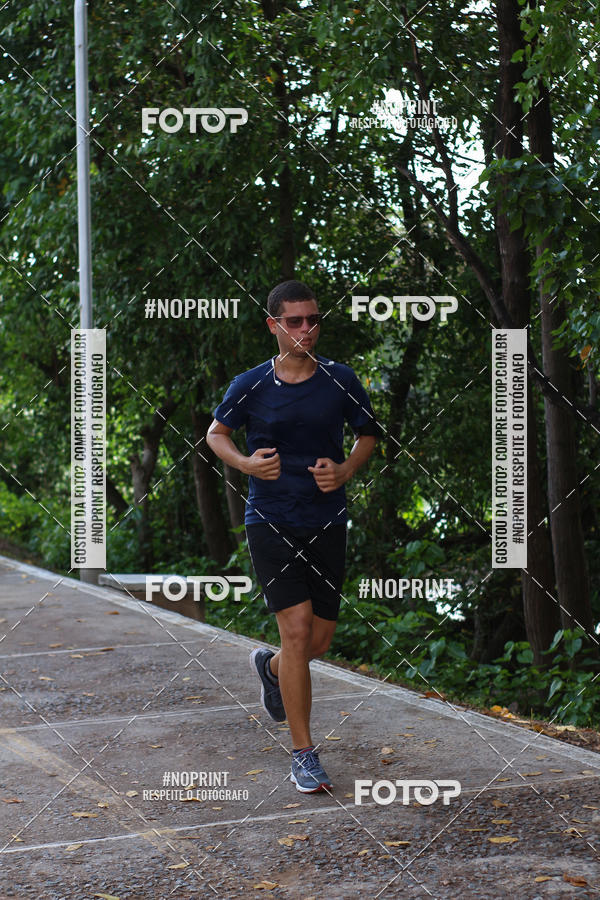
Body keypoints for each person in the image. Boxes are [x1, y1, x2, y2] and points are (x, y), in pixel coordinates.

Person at [206, 279, 378, 793]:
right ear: (274, 325)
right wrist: (244, 464)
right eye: (295, 321)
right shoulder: (251, 384)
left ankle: (272, 668)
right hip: (271, 519)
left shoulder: (339, 379)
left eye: (313, 319)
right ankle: (304, 754)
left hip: (326, 519)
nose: (307, 328)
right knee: (298, 630)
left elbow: (369, 433)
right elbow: (216, 434)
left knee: (317, 640)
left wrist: (345, 470)